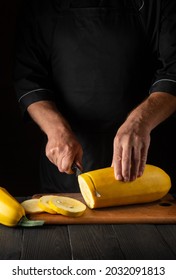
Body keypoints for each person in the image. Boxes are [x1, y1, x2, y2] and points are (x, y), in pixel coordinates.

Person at [14, 0, 176, 193]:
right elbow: (28, 79)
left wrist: (140, 121)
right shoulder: (39, 7)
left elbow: (173, 72)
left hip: (148, 166)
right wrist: (56, 129)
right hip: (69, 168)